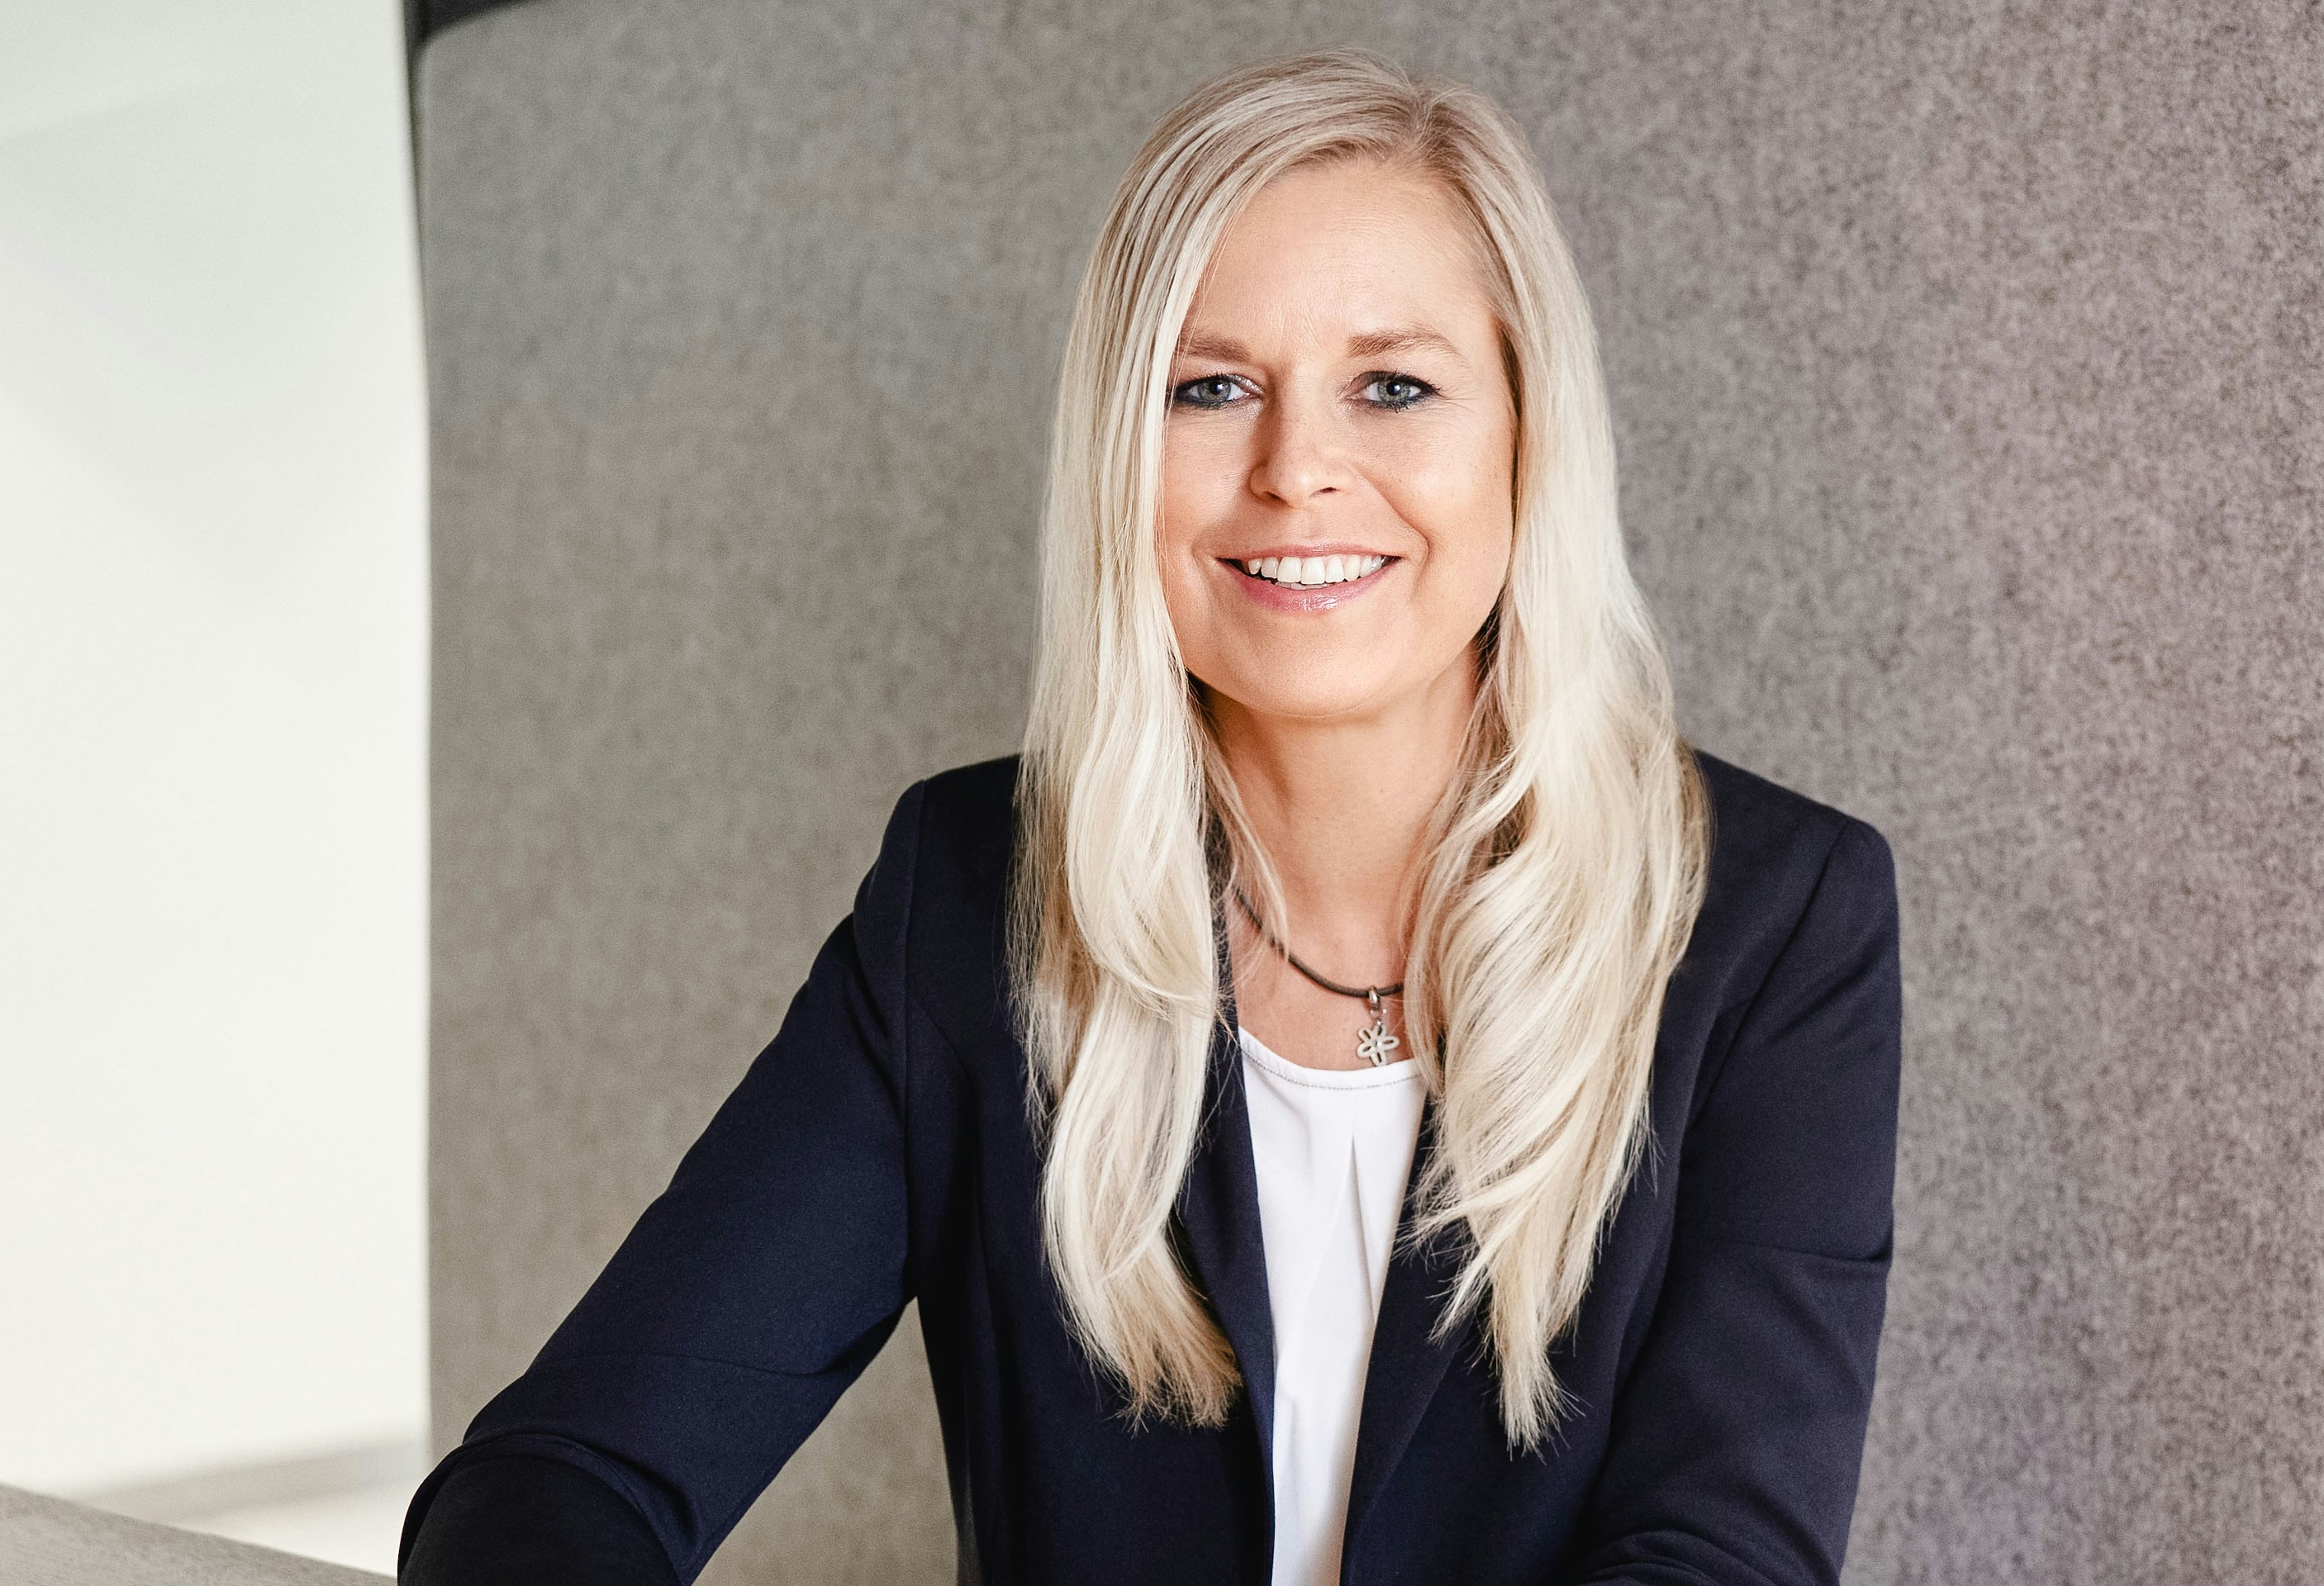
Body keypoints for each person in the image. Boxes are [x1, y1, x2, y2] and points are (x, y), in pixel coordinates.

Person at [397, 48, 1900, 1586]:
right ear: (1121, 453)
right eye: (1209, 387)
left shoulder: (1774, 922)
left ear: (1528, 433)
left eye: (1395, 385)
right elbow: (565, 1475)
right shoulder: (968, 896)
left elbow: (1723, 1562)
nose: (1298, 470)